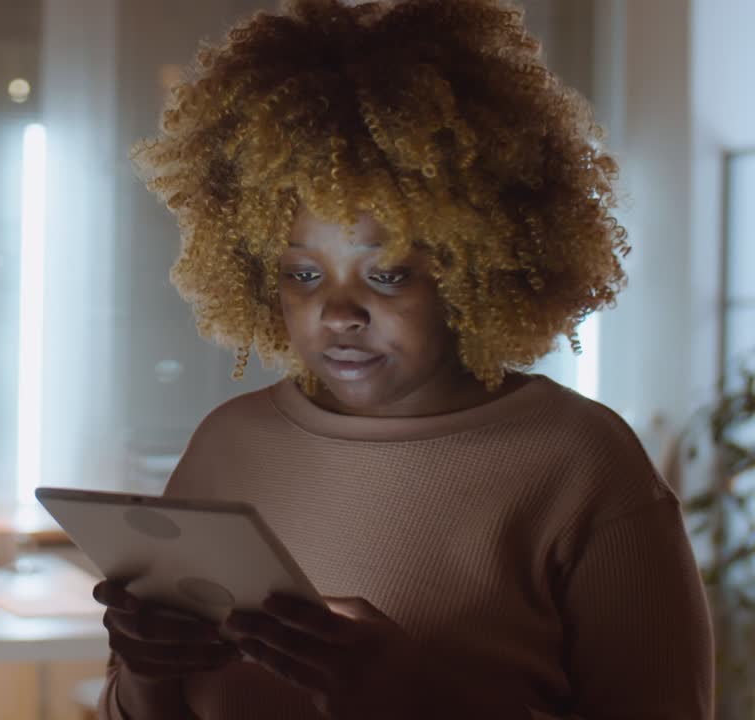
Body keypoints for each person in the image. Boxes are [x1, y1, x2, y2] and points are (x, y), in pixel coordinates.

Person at [91, 0, 714, 718]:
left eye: (386, 274)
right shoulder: (228, 444)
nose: (337, 312)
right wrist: (146, 674)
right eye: (303, 274)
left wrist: (413, 702)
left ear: (476, 266)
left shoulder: (580, 466)